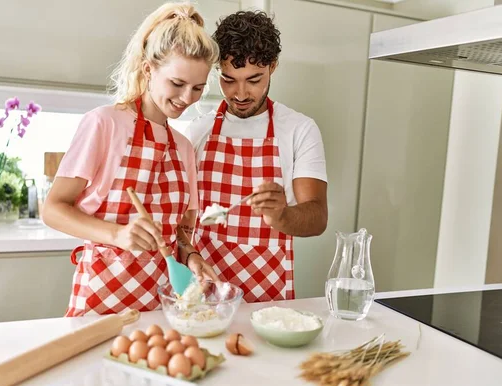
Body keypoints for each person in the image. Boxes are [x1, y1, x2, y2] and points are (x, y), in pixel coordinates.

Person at [43, 2, 219, 316]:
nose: (187, 99)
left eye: (198, 88)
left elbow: (180, 233)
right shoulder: (104, 124)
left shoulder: (183, 146)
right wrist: (117, 235)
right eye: (177, 84)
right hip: (100, 304)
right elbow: (53, 209)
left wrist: (191, 257)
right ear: (148, 69)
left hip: (161, 307)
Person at [186, 10, 328, 303]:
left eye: (253, 80)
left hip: (268, 297)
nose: (240, 93)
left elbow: (317, 218)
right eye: (228, 79)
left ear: (272, 66)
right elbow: (182, 218)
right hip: (203, 292)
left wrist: (282, 215)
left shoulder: (299, 129)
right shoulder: (198, 130)